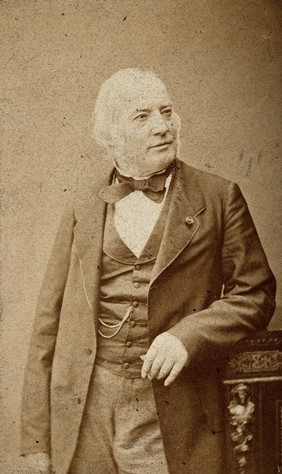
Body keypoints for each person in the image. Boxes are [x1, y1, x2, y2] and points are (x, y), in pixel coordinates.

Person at [21, 68, 276, 474]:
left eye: (166, 112)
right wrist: (36, 442)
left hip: (172, 408)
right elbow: (46, 325)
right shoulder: (83, 204)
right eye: (143, 117)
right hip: (86, 408)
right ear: (110, 135)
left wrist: (187, 336)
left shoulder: (218, 197)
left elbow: (256, 294)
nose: (162, 126)